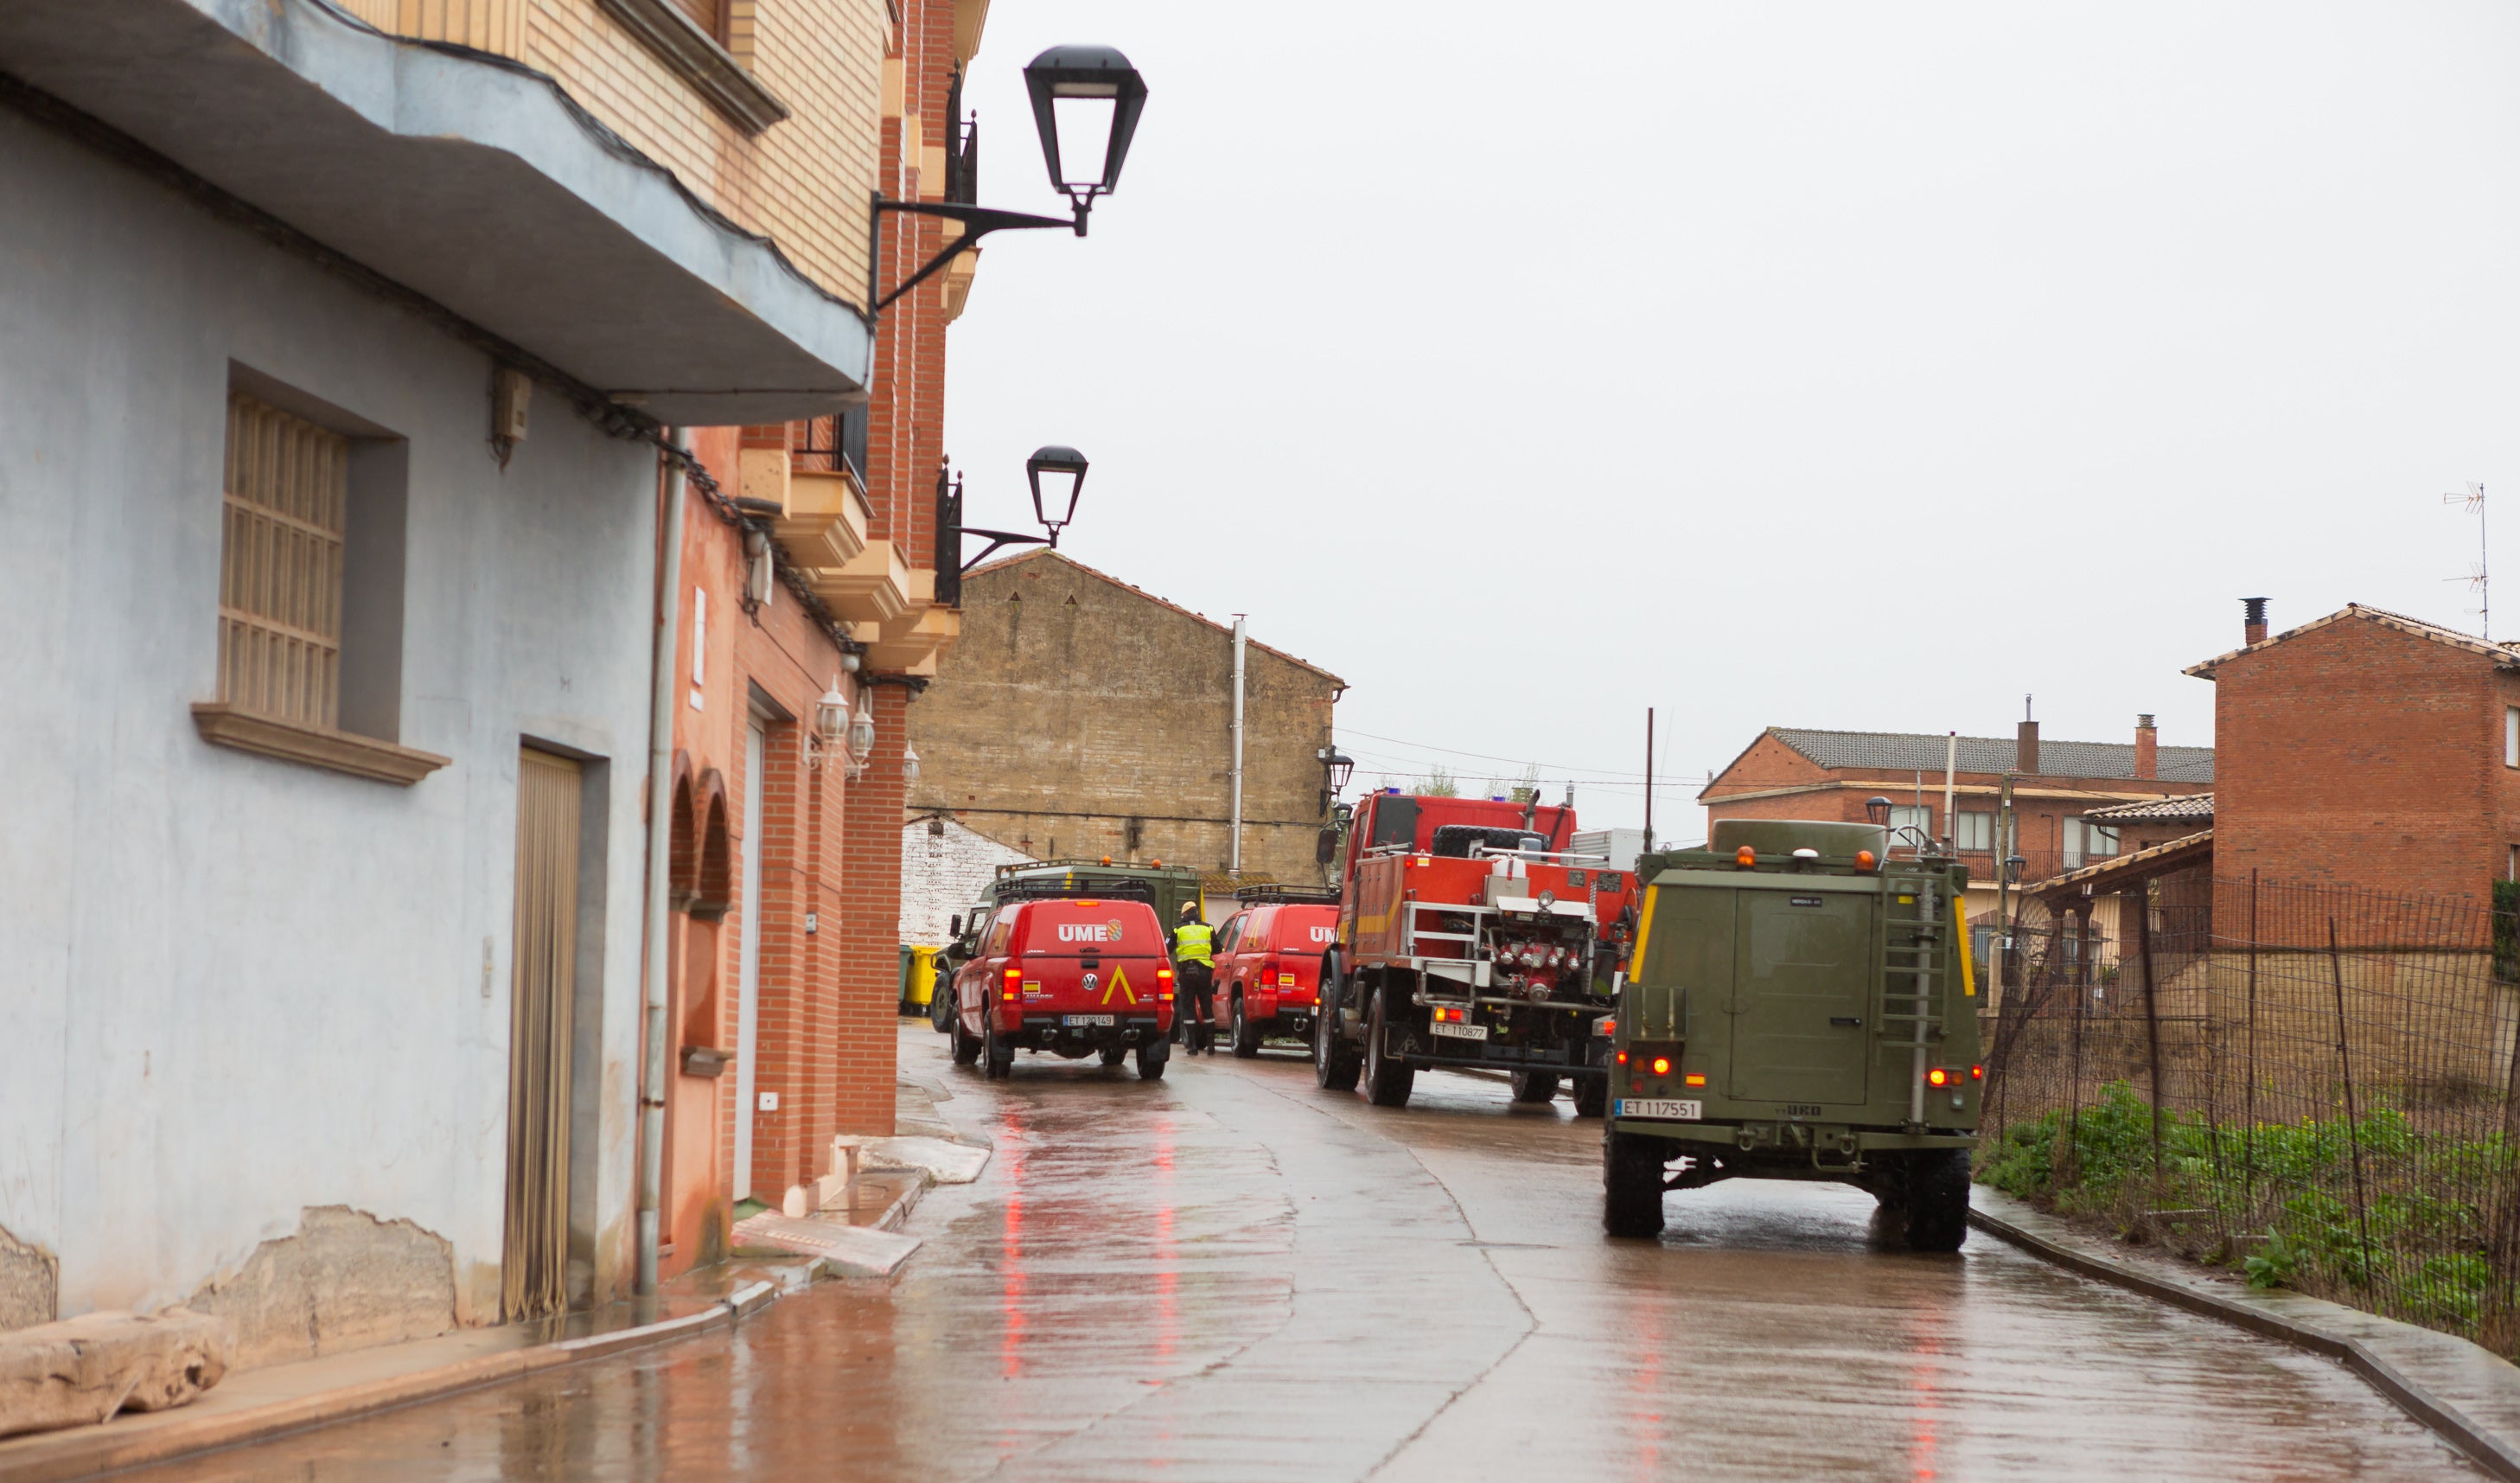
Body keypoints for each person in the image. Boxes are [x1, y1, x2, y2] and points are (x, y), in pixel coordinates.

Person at [1172, 901, 1217, 1055]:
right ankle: (1211, 1046)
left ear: (1184, 914)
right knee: (1206, 1007)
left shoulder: (1177, 930)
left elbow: (1167, 948)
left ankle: (1192, 1046)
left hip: (1186, 973)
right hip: (1204, 973)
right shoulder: (1208, 928)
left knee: (1188, 1007)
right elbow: (1218, 948)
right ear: (1196, 912)